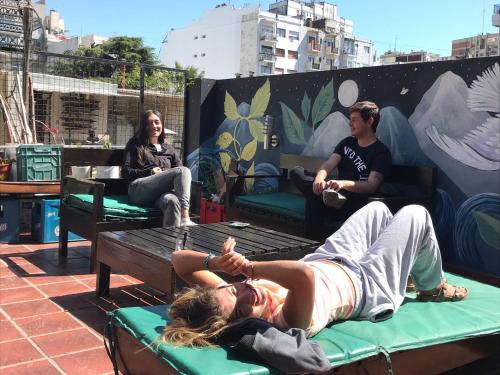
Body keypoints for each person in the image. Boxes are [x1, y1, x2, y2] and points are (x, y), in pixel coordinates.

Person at [159, 202, 468, 347]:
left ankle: (407, 267)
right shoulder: (283, 322)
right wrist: (247, 268)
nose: (246, 292)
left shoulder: (228, 298)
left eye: (232, 290)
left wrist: (217, 265)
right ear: (241, 325)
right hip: (368, 285)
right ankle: (432, 286)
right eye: (242, 308)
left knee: (377, 210)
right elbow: (303, 276)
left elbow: (178, 261)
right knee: (416, 215)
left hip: (330, 258)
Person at [291, 101, 392, 240]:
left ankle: (310, 243)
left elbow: (371, 186)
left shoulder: (381, 153)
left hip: (352, 201)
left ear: (369, 121)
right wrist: (319, 179)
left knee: (313, 198)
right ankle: (324, 196)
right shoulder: (347, 143)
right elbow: (328, 164)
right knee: (297, 172)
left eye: (355, 120)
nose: (350, 124)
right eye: (350, 120)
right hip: (332, 193)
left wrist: (342, 184)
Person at [122, 110, 196, 227]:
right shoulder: (135, 144)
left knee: (172, 201)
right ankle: (185, 217)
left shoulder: (169, 148)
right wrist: (149, 172)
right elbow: (125, 171)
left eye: (157, 122)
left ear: (162, 124)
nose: (154, 126)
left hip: (160, 195)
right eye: (149, 123)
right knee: (183, 170)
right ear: (144, 126)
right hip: (138, 191)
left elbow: (179, 173)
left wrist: (166, 175)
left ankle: (170, 242)